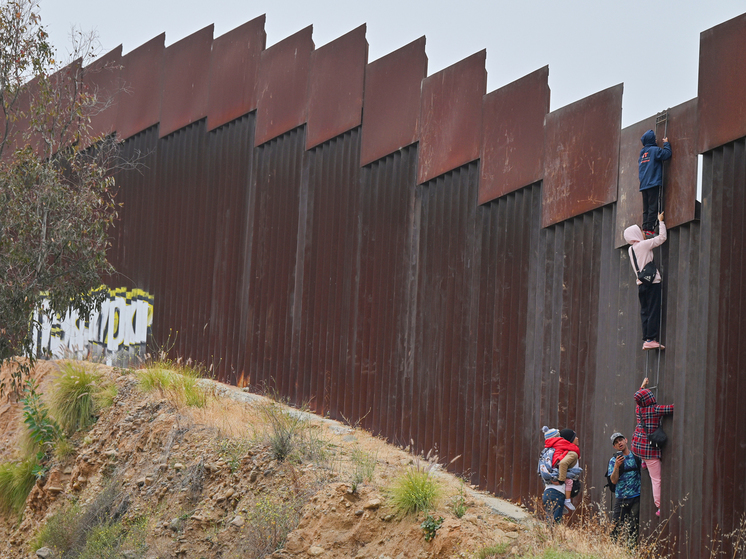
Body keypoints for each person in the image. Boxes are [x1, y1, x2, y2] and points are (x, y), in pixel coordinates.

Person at [624, 213, 667, 350]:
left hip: (641, 283)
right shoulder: (643, 245)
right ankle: (651, 339)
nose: (643, 233)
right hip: (652, 282)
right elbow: (662, 238)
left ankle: (647, 339)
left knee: (645, 312)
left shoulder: (630, 249)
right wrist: (661, 222)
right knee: (654, 310)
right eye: (641, 231)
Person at [632, 377, 674, 517]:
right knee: (656, 479)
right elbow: (672, 408)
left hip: (638, 445)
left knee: (644, 457)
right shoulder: (655, 409)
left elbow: (639, 396)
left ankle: (643, 462)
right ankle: (659, 506)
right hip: (649, 450)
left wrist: (642, 386)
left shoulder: (639, 407)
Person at [607, 432, 642, 545]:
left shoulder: (636, 456)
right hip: (621, 497)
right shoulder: (613, 461)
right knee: (615, 527)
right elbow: (613, 480)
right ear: (614, 447)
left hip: (636, 497)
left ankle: (630, 551)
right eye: (616, 442)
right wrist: (617, 466)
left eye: (620, 440)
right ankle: (611, 550)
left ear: (626, 440)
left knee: (633, 527)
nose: (619, 443)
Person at [541, 428, 580, 523]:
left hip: (548, 492)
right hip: (557, 492)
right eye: (575, 437)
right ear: (570, 440)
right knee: (553, 526)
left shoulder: (552, 452)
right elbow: (563, 464)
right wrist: (561, 480)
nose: (577, 438)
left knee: (551, 524)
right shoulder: (570, 454)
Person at [638, 130, 672, 238]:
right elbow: (667, 154)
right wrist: (666, 143)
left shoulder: (642, 153)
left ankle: (645, 229)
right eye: (655, 138)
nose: (656, 140)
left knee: (646, 208)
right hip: (653, 183)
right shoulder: (654, 150)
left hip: (644, 185)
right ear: (652, 140)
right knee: (653, 207)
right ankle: (650, 230)